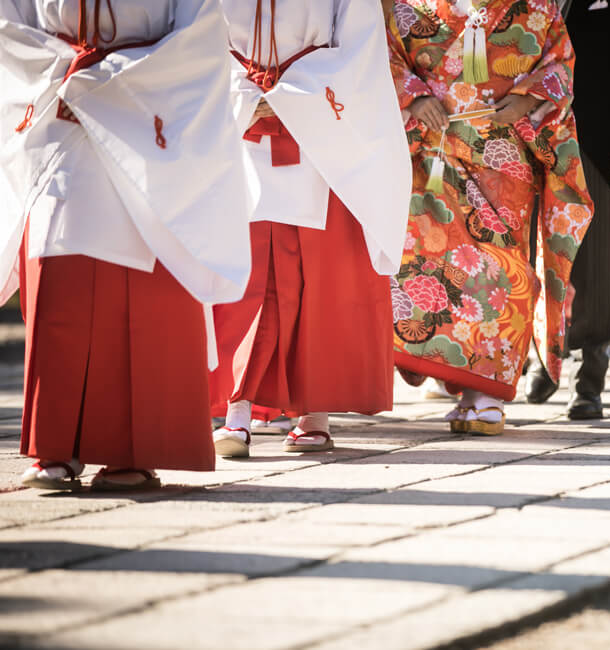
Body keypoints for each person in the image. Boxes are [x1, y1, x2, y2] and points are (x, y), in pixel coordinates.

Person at [2, 0, 254, 490]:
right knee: (61, 287)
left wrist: (109, 83)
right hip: (62, 120)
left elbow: (199, 37)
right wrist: (67, 73)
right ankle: (54, 445)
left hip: (147, 132)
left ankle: (132, 452)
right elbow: (9, 28)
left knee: (142, 297)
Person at [210, 0, 411, 457]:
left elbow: (359, 48)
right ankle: (236, 410)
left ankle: (314, 413)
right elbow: (196, 39)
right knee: (248, 275)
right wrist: (244, 95)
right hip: (244, 130)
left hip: (323, 137)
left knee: (320, 280)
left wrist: (288, 97)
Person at [387, 0, 593, 435]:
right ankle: (459, 380)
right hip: (435, 154)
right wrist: (416, 95)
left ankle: (488, 394)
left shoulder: (534, 7)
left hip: (502, 158)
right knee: (435, 267)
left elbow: (559, 63)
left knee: (500, 274)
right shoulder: (412, 5)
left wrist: (522, 103)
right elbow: (384, 53)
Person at [524, 0, 610, 420]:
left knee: (595, 262)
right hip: (526, 136)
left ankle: (590, 379)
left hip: (595, 141)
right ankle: (544, 354)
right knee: (530, 253)